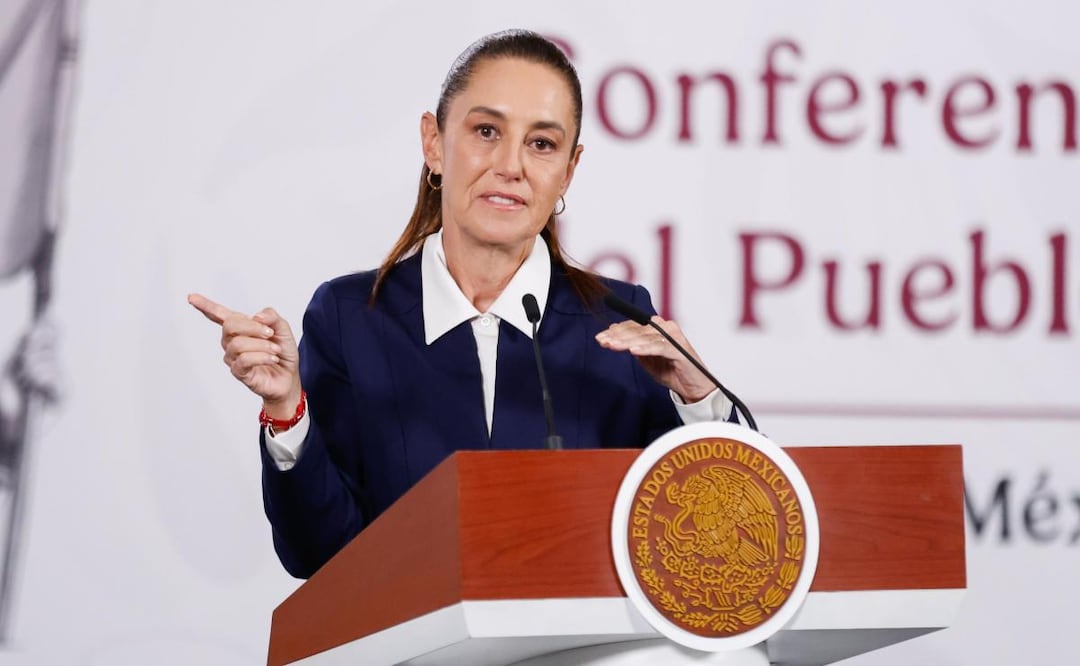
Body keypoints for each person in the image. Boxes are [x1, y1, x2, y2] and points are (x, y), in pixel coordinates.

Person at [189, 30, 733, 578]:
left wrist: (700, 398)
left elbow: (717, 552)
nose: (511, 165)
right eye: (487, 131)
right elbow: (318, 556)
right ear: (434, 142)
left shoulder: (620, 324)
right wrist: (287, 409)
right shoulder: (349, 318)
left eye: (542, 144)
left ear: (569, 170)